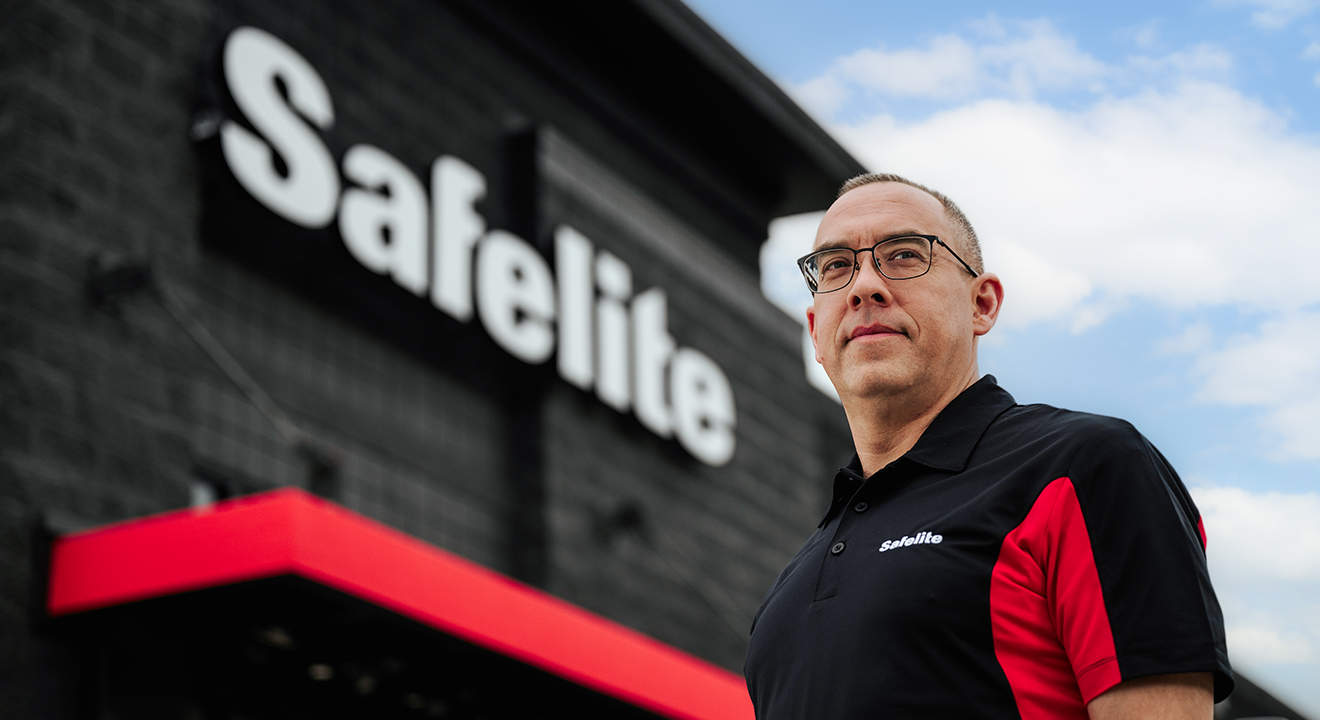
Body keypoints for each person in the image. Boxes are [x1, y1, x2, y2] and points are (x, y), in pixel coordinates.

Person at [743, 174, 1232, 719]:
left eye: (904, 255)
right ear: (815, 330)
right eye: (836, 266)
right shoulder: (786, 593)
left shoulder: (1084, 466)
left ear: (982, 304)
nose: (864, 287)